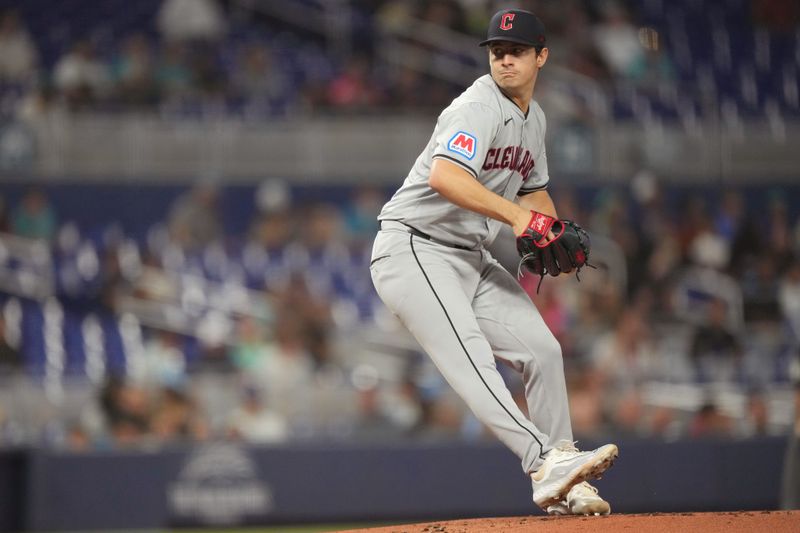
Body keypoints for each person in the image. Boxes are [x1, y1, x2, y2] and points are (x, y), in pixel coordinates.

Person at [370, 9, 618, 516]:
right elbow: (446, 177)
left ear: (541, 56)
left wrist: (548, 229)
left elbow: (537, 192)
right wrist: (520, 220)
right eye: (497, 51)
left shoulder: (536, 119)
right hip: (417, 248)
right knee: (472, 359)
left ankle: (566, 479)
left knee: (543, 351)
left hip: (470, 256)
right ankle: (542, 462)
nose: (504, 60)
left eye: (517, 51)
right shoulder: (477, 108)